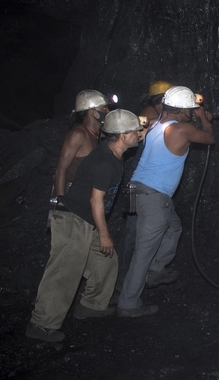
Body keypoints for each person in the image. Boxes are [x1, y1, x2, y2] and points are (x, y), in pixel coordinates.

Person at [26, 110, 144, 342]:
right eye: (135, 132)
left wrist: (145, 128)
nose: (138, 135)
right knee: (64, 272)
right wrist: (104, 234)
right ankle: (41, 324)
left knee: (107, 262)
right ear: (122, 136)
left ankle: (91, 305)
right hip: (74, 220)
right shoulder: (105, 162)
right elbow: (95, 200)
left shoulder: (113, 150)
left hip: (87, 220)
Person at [117, 86, 214, 318]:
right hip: (154, 197)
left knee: (173, 228)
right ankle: (128, 304)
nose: (192, 112)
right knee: (143, 252)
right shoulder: (182, 129)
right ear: (183, 110)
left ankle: (156, 270)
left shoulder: (155, 126)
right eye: (190, 109)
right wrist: (204, 119)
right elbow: (209, 138)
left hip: (140, 191)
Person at [117, 80, 174, 291]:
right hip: (141, 181)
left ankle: (136, 277)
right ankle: (124, 283)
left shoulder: (160, 115)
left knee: (153, 228)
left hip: (146, 180)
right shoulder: (149, 115)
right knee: (133, 232)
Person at [54, 90, 110, 198]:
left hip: (86, 192)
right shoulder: (78, 135)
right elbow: (60, 169)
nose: (108, 111)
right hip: (71, 191)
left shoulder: (97, 134)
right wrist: (61, 202)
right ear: (93, 112)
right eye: (104, 108)